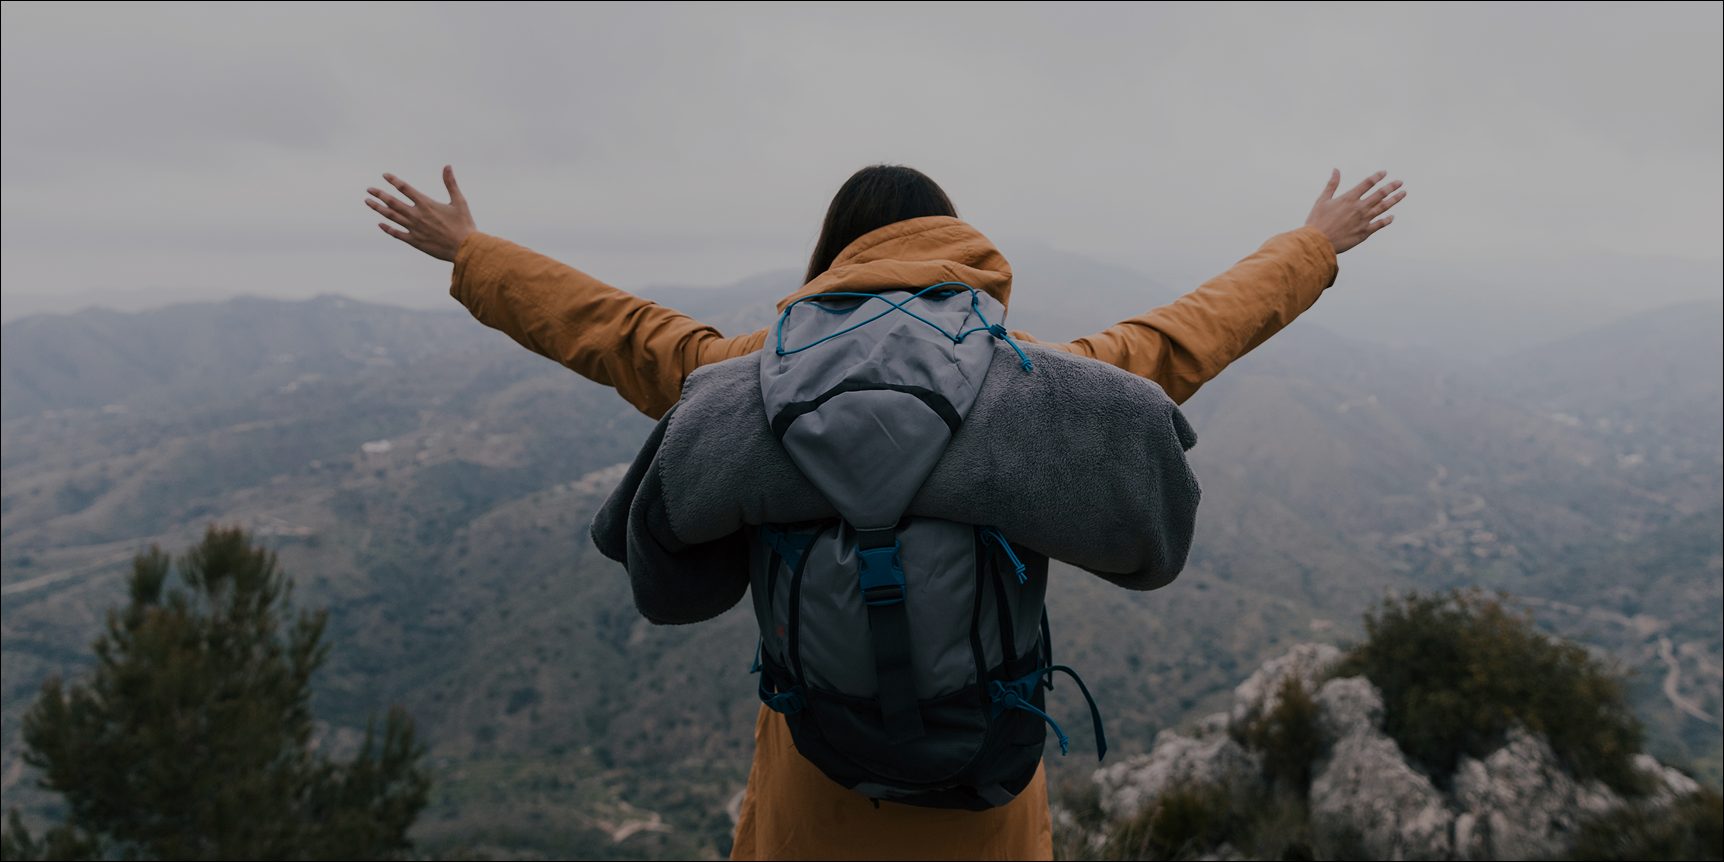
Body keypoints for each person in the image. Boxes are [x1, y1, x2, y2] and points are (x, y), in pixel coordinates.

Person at [365, 164, 1404, 860]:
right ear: (956, 252)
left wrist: (473, 252)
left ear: (833, 258)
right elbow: (1183, 336)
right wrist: (1312, 245)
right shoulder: (1036, 393)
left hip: (813, 795)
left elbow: (618, 332)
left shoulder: (749, 382)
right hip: (981, 799)